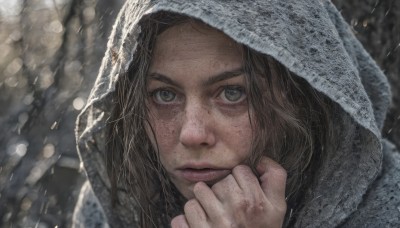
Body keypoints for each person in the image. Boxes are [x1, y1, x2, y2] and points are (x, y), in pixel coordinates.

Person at [73, 0, 400, 227]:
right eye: (165, 94)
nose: (192, 133)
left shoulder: (387, 211)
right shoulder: (108, 211)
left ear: (305, 101)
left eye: (233, 93)